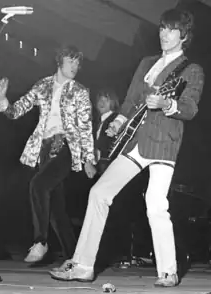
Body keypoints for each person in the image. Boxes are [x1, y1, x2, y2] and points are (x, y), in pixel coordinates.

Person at [50, 9, 204, 287]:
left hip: (163, 145)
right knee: (99, 193)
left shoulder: (191, 70)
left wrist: (168, 105)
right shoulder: (146, 63)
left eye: (170, 30)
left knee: (155, 206)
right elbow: (132, 100)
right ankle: (83, 265)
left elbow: (190, 107)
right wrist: (118, 122)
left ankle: (168, 271)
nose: (164, 34)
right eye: (162, 28)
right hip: (134, 142)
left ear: (184, 36)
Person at [0, 45, 96, 263]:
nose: (76, 66)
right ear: (60, 61)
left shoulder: (80, 90)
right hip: (44, 149)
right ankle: (76, 258)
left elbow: (85, 126)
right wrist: (3, 101)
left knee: (38, 186)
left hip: (66, 146)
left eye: (78, 63)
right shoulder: (43, 85)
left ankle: (40, 241)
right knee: (55, 210)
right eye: (72, 61)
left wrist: (89, 158)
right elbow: (17, 110)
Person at [94, 88, 120, 175]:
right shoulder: (98, 121)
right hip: (99, 166)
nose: (102, 102)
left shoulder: (116, 119)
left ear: (113, 103)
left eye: (106, 100)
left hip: (109, 166)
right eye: (100, 99)